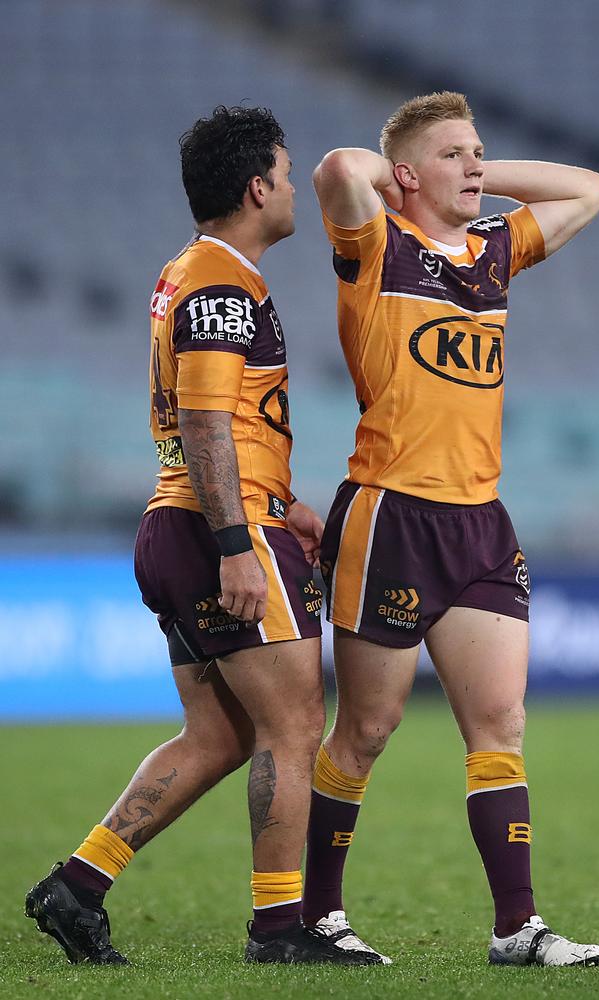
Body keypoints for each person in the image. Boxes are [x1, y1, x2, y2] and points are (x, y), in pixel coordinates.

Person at [24, 105, 380, 967]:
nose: (295, 187)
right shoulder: (222, 285)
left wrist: (284, 505)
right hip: (218, 530)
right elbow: (207, 420)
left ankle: (78, 884)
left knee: (219, 735)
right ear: (258, 188)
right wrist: (236, 542)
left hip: (182, 521)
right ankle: (279, 931)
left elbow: (220, 427)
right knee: (293, 729)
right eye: (287, 175)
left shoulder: (195, 273)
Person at [301, 91, 599, 967]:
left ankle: (518, 928)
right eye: (456, 155)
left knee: (500, 722)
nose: (477, 167)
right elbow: (336, 170)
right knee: (367, 730)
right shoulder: (376, 244)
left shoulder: (493, 252)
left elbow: (587, 188)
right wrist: (408, 181)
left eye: (480, 153)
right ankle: (322, 915)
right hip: (390, 513)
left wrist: (471, 173)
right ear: (404, 175)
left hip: (480, 521)